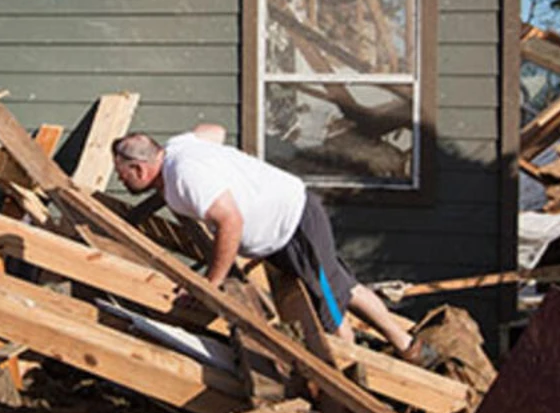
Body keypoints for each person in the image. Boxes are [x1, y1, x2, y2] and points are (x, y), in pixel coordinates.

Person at [111, 124, 436, 366]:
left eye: (123, 174)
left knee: (329, 307)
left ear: (139, 168)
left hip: (294, 224)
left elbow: (230, 222)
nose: (121, 181)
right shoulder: (179, 146)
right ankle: (408, 346)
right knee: (341, 285)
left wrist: (211, 283)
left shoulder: (185, 177)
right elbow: (215, 131)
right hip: (280, 231)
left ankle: (350, 387)